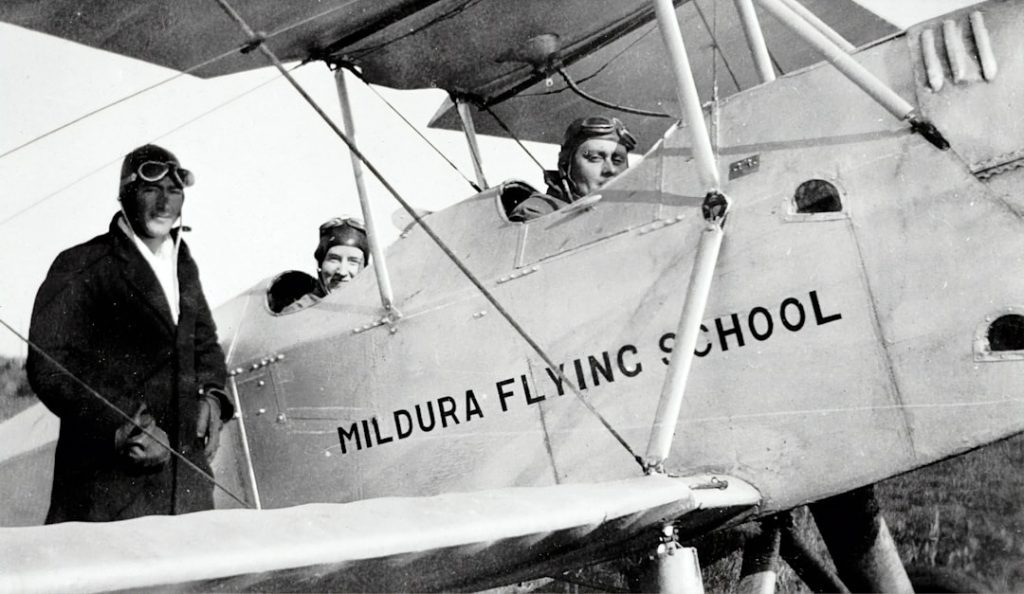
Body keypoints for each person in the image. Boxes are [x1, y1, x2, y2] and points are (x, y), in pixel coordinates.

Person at [27, 143, 233, 523]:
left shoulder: (181, 264)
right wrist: (126, 425)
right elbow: (51, 363)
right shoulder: (82, 262)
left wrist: (214, 398)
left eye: (174, 191)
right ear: (125, 194)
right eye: (151, 190)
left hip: (186, 488)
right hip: (109, 491)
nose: (164, 203)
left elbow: (204, 343)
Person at [508, 115, 637, 222]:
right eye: (595, 158)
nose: (611, 170)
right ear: (565, 167)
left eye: (618, 160)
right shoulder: (537, 213)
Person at [276, 217, 369, 313]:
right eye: (334, 259)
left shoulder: (372, 308)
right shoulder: (297, 312)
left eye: (353, 262)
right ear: (321, 263)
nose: (342, 272)